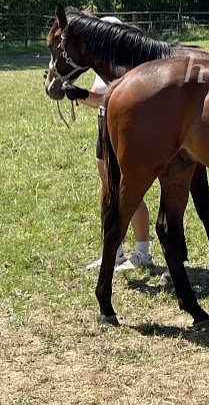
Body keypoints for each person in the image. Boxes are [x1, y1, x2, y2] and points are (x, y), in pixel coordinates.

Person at [68, 16, 154, 272]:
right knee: (109, 191)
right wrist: (74, 92)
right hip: (103, 128)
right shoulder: (99, 67)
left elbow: (110, 97)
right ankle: (114, 251)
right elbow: (97, 100)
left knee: (130, 192)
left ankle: (142, 252)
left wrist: (82, 93)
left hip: (122, 131)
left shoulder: (124, 64)